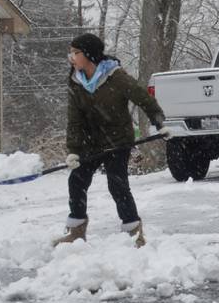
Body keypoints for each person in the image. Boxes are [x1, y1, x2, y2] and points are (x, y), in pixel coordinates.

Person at [56, 32, 167, 248]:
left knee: (117, 184)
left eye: (76, 52)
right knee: (77, 181)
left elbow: (144, 99)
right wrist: (74, 150)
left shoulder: (116, 77)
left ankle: (134, 233)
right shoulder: (75, 82)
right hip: (90, 142)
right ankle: (76, 232)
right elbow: (74, 120)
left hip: (117, 141)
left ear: (89, 54)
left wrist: (159, 122)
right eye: (71, 53)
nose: (72, 57)